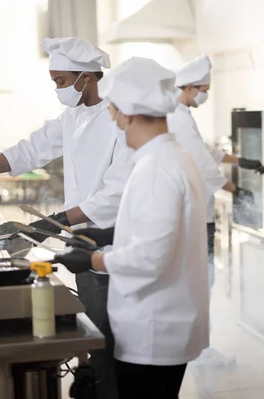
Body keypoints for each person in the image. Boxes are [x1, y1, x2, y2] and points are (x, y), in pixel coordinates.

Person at [0, 37, 132, 398]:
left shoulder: (119, 118)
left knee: (114, 336)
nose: (58, 89)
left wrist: (55, 221)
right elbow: (31, 149)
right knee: (95, 326)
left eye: (60, 81)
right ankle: (97, 381)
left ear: (87, 76)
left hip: (114, 240)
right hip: (82, 239)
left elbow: (116, 195)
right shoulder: (74, 116)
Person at [54, 57, 210, 398]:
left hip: (154, 330)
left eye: (111, 108)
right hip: (164, 324)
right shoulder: (172, 158)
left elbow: (151, 258)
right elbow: (166, 233)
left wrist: (93, 261)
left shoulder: (157, 168)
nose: (110, 116)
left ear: (126, 112)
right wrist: (110, 235)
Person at [169, 55, 260, 368]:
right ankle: (199, 353)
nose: (205, 95)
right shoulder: (178, 116)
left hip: (196, 215)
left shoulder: (181, 114)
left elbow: (206, 151)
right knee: (200, 283)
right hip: (194, 217)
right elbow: (201, 162)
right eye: (204, 89)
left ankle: (199, 349)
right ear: (191, 87)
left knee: (201, 283)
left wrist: (241, 162)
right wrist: (236, 190)